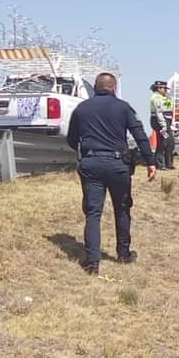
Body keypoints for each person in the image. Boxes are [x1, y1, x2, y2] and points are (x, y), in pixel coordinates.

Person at [66, 72, 157, 274]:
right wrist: (150, 162)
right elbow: (140, 135)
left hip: (91, 164)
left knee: (93, 213)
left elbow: (72, 139)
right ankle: (123, 254)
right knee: (122, 209)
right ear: (113, 88)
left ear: (96, 88)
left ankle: (92, 262)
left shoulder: (81, 109)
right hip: (118, 165)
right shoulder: (123, 107)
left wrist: (86, 152)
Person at [149, 81, 175, 170]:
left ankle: (169, 163)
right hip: (159, 121)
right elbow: (158, 112)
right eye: (164, 89)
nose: (166, 91)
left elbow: (170, 109)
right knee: (162, 143)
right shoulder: (156, 98)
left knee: (170, 143)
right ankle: (160, 164)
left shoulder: (166, 97)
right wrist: (163, 125)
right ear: (159, 88)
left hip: (167, 120)